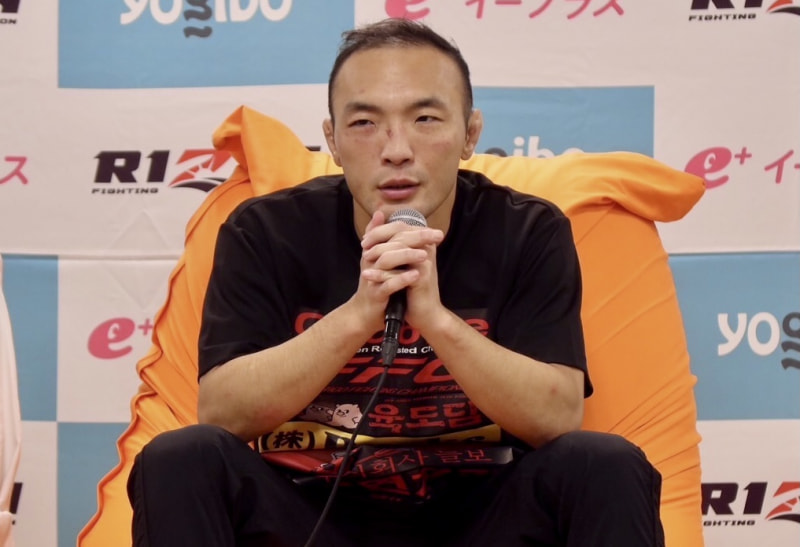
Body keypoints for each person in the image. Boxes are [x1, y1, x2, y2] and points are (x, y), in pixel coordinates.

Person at [127, 18, 665, 547]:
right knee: (178, 458)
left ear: (470, 134)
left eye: (425, 118)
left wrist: (435, 319)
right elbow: (222, 413)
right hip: (310, 513)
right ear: (332, 141)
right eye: (364, 123)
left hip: (481, 518)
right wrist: (361, 311)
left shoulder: (528, 231)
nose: (396, 149)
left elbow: (557, 417)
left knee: (605, 463)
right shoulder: (266, 232)